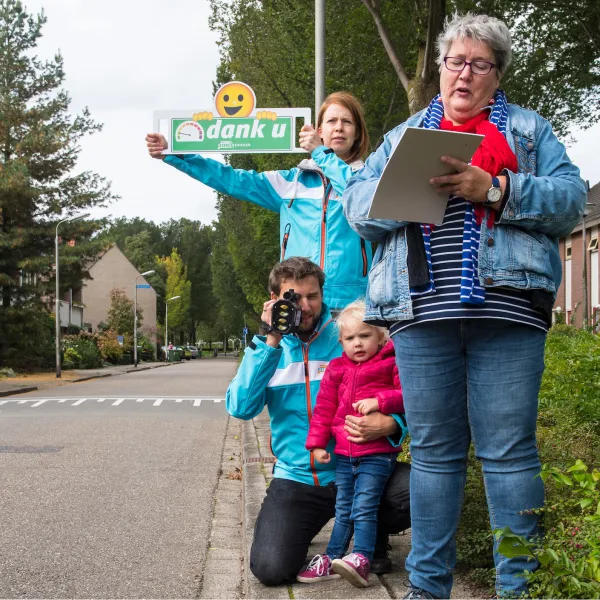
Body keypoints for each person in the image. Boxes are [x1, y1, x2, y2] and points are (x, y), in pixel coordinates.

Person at [343, 13, 587, 600]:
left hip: (508, 313)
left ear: (496, 75)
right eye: (455, 61)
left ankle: (517, 589)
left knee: (508, 452)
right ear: (441, 68)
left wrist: (498, 190)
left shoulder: (528, 133)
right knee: (432, 454)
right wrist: (402, 196)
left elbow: (572, 200)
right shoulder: (404, 137)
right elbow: (355, 207)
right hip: (422, 315)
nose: (464, 74)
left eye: (479, 64)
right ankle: (427, 590)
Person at [226, 257, 410, 586]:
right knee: (270, 569)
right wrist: (271, 340)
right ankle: (348, 528)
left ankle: (371, 536)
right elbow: (240, 407)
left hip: (359, 465)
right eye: (295, 297)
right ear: (274, 298)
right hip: (298, 478)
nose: (306, 306)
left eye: (314, 296)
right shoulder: (268, 348)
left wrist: (394, 424)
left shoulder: (350, 333)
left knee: (420, 488)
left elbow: (400, 389)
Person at [146, 92, 372, 311]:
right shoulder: (289, 183)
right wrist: (175, 153)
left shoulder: (369, 179)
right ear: (320, 131)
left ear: (357, 133)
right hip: (298, 302)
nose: (339, 127)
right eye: (332, 120)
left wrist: (321, 154)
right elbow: (231, 179)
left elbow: (358, 194)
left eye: (347, 122)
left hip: (353, 305)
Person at [296, 300, 405, 588]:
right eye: (350, 338)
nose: (357, 344)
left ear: (381, 336)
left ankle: (362, 558)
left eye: (365, 336)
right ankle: (332, 559)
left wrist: (380, 401)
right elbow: (324, 409)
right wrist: (317, 445)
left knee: (364, 507)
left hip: (377, 454)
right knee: (344, 507)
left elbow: (407, 394)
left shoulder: (391, 362)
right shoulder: (336, 368)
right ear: (341, 342)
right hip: (345, 454)